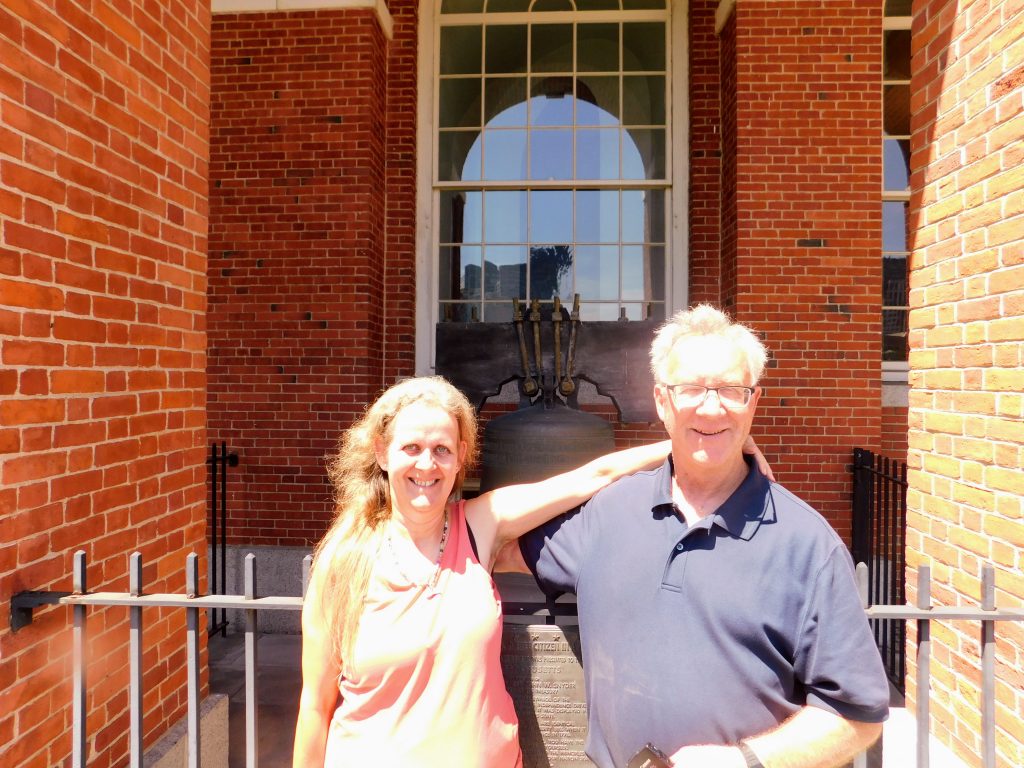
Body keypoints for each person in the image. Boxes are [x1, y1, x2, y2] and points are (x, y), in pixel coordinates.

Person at [294, 375, 743, 767]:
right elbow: (315, 707)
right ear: (382, 452)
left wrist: (695, 444)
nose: (427, 465)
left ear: (461, 456)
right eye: (411, 448)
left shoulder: (478, 525)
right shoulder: (344, 559)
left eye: (442, 450)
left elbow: (592, 476)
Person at [513, 305, 890, 768]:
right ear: (661, 401)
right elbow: (489, 541)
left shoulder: (808, 546)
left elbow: (857, 718)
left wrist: (743, 760)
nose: (712, 407)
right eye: (691, 389)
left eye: (731, 390)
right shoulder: (608, 514)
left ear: (753, 401)